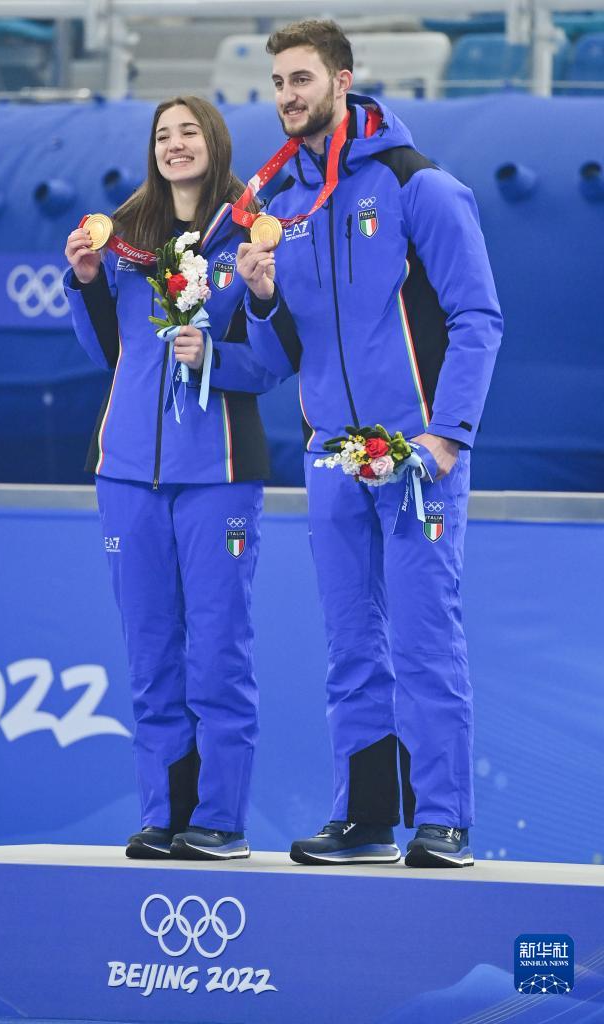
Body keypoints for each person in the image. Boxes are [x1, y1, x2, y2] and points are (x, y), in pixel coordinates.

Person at [238, 20, 503, 867]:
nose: (288, 95)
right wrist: (264, 299)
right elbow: (285, 357)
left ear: (343, 81)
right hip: (331, 457)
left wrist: (448, 435)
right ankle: (366, 820)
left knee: (424, 638)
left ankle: (445, 819)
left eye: (303, 78)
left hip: (417, 455)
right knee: (353, 647)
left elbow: (477, 317)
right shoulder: (282, 211)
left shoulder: (415, 185)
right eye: (278, 81)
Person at [63, 96, 278, 861]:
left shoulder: (247, 234)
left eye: (189, 132)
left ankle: (219, 819)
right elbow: (108, 356)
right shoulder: (123, 241)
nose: (175, 144)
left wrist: (222, 347)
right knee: (152, 653)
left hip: (218, 474)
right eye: (163, 135)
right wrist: (88, 281)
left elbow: (280, 363)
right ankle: (165, 813)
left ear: (214, 143)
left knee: (218, 651)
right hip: (126, 476)